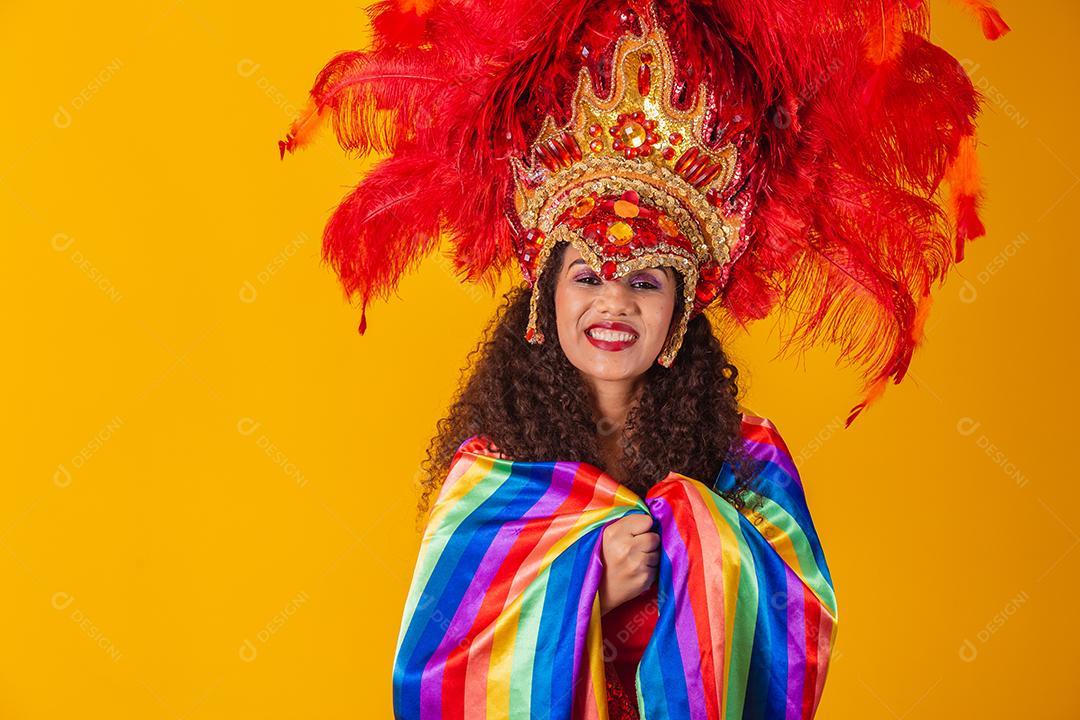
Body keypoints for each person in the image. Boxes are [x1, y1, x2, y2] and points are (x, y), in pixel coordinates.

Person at [279, 0, 1008, 715]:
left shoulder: (748, 459)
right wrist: (587, 581)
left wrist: (697, 536)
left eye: (647, 281)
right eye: (587, 277)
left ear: (683, 307)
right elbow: (437, 669)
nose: (614, 303)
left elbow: (795, 635)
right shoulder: (490, 472)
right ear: (546, 297)